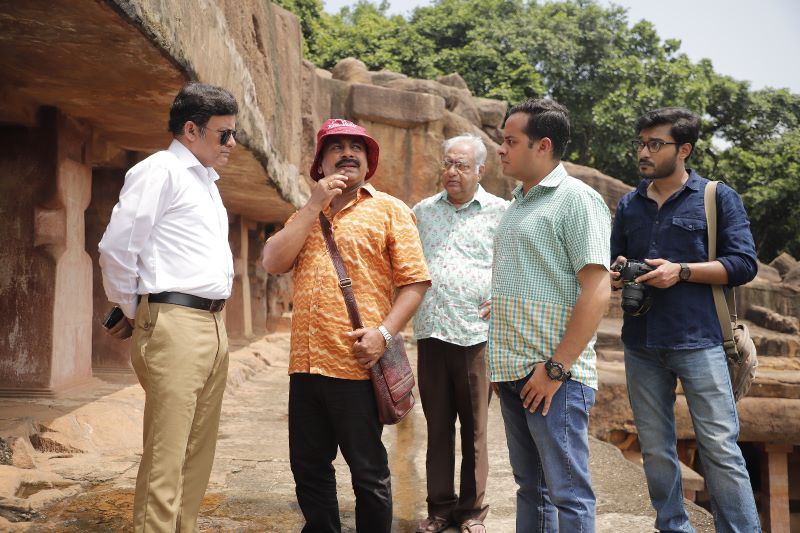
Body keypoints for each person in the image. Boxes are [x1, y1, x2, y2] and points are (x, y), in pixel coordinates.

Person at [261, 118, 430, 533]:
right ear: (319, 164)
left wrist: (383, 335)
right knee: (309, 469)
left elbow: (415, 282)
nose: (348, 153)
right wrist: (312, 206)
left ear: (369, 163)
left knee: (368, 472)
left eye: (357, 147)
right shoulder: (304, 215)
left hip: (357, 364)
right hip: (305, 366)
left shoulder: (390, 210)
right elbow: (273, 261)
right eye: (336, 147)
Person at [610, 107, 760, 533]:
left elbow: (744, 264)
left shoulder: (717, 197)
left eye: (655, 144)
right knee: (656, 449)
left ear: (684, 149)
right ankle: (673, 527)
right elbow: (613, 259)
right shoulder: (630, 204)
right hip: (641, 341)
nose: (644, 152)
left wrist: (682, 271)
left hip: (701, 341)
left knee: (720, 449)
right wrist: (619, 272)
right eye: (641, 143)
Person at [98, 82, 238, 532]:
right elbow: (117, 248)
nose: (232, 143)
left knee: (198, 452)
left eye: (234, 133)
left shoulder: (205, 181)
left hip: (213, 323)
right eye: (224, 134)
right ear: (191, 130)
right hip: (174, 321)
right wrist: (133, 309)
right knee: (167, 453)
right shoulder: (160, 170)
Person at [489, 98, 611, 532]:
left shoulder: (577, 200)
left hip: (554, 375)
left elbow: (597, 289)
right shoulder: (518, 203)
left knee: (569, 494)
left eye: (510, 141)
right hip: (513, 369)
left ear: (542, 145)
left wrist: (556, 368)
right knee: (531, 488)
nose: (501, 149)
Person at [412, 133, 509, 533]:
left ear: (480, 170)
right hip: (432, 331)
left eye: (462, 165)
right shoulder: (422, 211)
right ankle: (439, 509)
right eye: (448, 163)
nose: (452, 171)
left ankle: (471, 512)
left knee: (474, 430)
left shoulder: (502, 212)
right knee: (437, 428)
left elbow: (515, 264)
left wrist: (502, 298)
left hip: (476, 335)